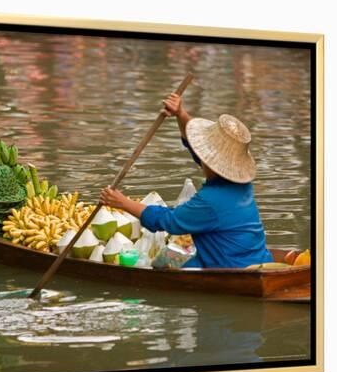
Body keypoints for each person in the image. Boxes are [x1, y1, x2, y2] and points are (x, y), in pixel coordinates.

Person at [100, 93, 273, 268]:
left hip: (229, 266)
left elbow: (168, 221)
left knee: (164, 263)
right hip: (260, 259)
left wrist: (122, 202)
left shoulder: (210, 200)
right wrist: (180, 114)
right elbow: (198, 151)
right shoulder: (243, 185)